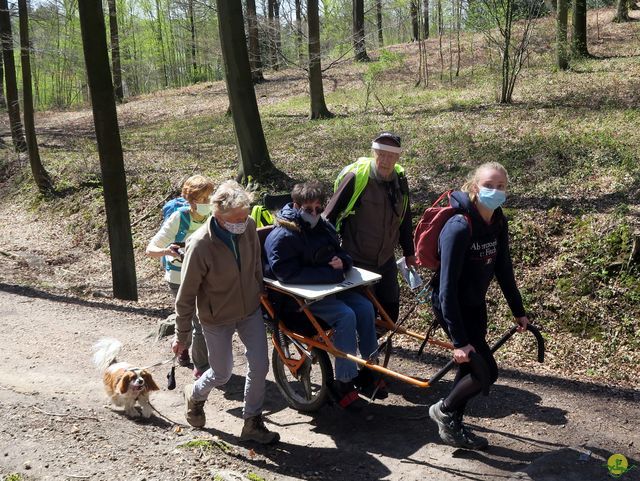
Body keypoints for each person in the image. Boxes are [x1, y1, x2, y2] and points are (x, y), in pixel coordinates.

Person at [428, 162, 530, 450]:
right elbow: (446, 288)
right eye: (489, 185)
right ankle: (444, 411)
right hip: (452, 306)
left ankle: (453, 426)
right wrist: (458, 341)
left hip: (475, 304)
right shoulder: (459, 227)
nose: (495, 191)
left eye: (500, 187)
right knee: (485, 371)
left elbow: (504, 268)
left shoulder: (497, 221)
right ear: (474, 187)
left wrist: (518, 310)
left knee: (468, 369)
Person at [172, 180, 279, 444]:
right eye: (237, 218)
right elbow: (185, 296)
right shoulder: (200, 245)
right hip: (216, 316)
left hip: (249, 309)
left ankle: (252, 422)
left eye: (245, 216)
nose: (243, 222)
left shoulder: (249, 226)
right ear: (217, 215)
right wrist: (181, 335)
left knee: (260, 364)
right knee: (222, 373)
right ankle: (195, 395)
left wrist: (259, 289)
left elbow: (255, 260)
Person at [264, 182, 383, 409]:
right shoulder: (283, 235)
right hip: (298, 300)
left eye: (319, 209)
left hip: (329, 290)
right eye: (309, 210)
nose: (315, 214)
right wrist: (330, 274)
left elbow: (341, 252)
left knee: (365, 307)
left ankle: (369, 365)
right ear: (296, 206)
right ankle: (344, 381)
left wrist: (343, 262)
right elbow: (285, 274)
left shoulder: (323, 227)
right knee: (345, 316)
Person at [325, 132, 417, 323]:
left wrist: (409, 252)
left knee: (390, 309)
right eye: (381, 154)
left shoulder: (400, 180)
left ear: (398, 157)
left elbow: (405, 217)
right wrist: (330, 252)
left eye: (391, 155)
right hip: (357, 259)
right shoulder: (356, 177)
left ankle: (378, 342)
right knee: (366, 309)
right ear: (373, 152)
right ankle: (367, 347)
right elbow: (329, 216)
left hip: (386, 260)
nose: (385, 160)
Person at [146, 174, 214, 378]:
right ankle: (194, 360)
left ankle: (197, 362)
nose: (209, 202)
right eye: (204, 199)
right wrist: (169, 251)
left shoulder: (213, 215)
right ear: (192, 200)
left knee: (201, 321)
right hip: (178, 278)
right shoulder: (179, 218)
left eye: (210, 197)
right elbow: (151, 249)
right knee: (192, 318)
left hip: (205, 275)